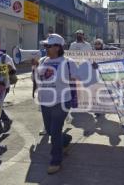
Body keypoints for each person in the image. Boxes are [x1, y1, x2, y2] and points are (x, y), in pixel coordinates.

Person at [35, 34, 78, 174]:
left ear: (58, 47)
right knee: (50, 130)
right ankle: (65, 140)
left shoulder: (68, 62)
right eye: (45, 46)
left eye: (48, 46)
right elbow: (37, 79)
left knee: (54, 131)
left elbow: (79, 77)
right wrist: (34, 68)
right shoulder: (42, 60)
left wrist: (92, 69)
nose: (45, 48)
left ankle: (56, 160)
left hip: (61, 101)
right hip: (45, 101)